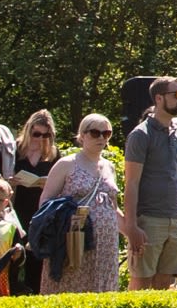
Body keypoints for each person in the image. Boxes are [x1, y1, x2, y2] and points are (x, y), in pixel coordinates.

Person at [118, 76, 177, 292]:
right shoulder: (140, 135)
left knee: (165, 284)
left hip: (175, 220)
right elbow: (131, 183)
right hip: (149, 219)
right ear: (159, 98)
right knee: (140, 284)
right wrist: (131, 226)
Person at [38, 114, 124, 295]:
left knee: (102, 291)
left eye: (106, 133)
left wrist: (133, 234)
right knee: (71, 287)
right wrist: (68, 218)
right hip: (73, 240)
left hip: (105, 245)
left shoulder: (109, 167)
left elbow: (113, 207)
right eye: (95, 133)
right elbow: (45, 203)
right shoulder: (66, 164)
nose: (101, 138)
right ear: (82, 135)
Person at [9, 111, 59, 230]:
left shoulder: (53, 153)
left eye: (45, 135)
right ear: (28, 131)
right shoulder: (14, 149)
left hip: (42, 206)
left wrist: (50, 183)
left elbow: (61, 180)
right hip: (17, 204)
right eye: (36, 134)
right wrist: (10, 181)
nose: (40, 138)